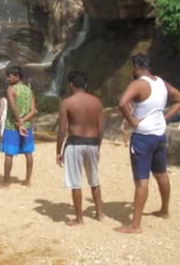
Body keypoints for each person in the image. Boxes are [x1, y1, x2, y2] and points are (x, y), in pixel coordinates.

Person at [115, 53, 180, 234]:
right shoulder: (161, 82)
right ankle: (165, 210)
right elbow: (179, 98)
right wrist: (165, 118)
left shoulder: (138, 84)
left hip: (143, 136)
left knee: (141, 181)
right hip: (160, 135)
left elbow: (122, 102)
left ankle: (135, 225)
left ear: (136, 66)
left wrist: (132, 121)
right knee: (161, 174)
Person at [56, 71, 105, 226]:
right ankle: (99, 213)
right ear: (85, 85)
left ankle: (79, 219)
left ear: (71, 85)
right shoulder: (97, 102)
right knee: (94, 180)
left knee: (75, 182)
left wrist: (58, 150)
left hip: (74, 143)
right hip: (92, 143)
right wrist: (98, 147)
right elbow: (101, 128)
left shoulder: (67, 103)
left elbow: (62, 130)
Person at [0, 66, 36, 188]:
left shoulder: (11, 89)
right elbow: (33, 110)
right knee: (28, 152)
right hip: (27, 125)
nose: (7, 79)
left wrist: (19, 122)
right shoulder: (28, 90)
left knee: (9, 154)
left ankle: (6, 182)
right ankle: (27, 181)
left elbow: (13, 107)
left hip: (12, 125)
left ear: (17, 76)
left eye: (9, 76)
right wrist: (24, 121)